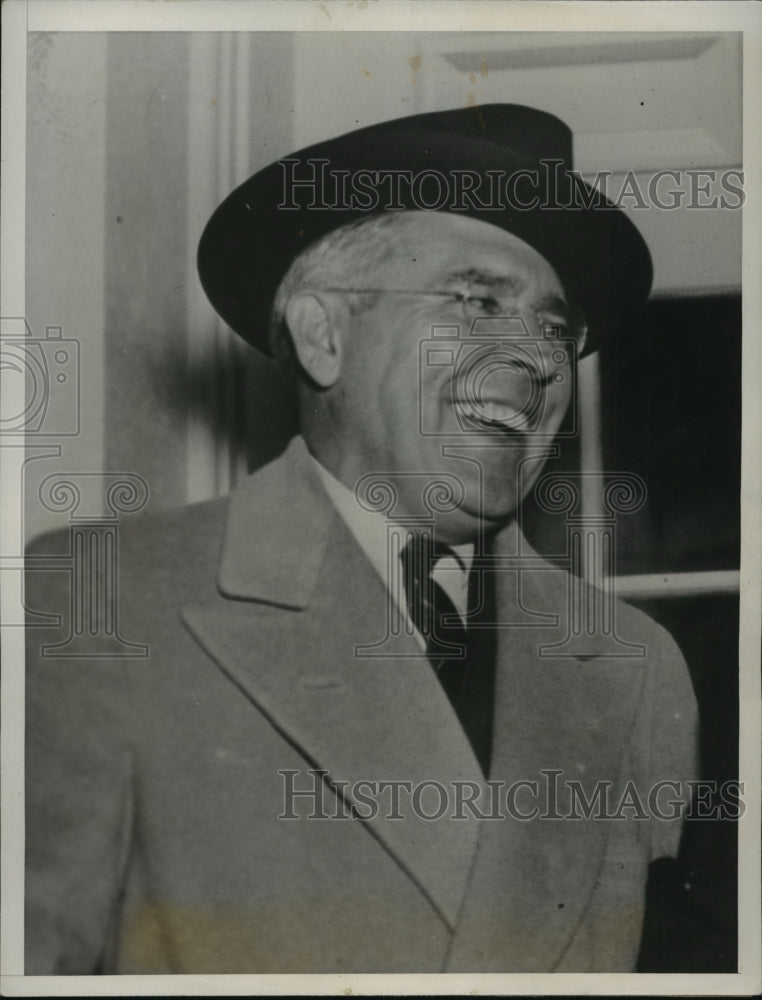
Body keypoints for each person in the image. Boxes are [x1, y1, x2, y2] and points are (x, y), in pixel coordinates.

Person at [25, 105, 697, 974]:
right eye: (477, 299)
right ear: (324, 334)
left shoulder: (635, 669)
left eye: (555, 329)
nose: (535, 359)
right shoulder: (100, 602)